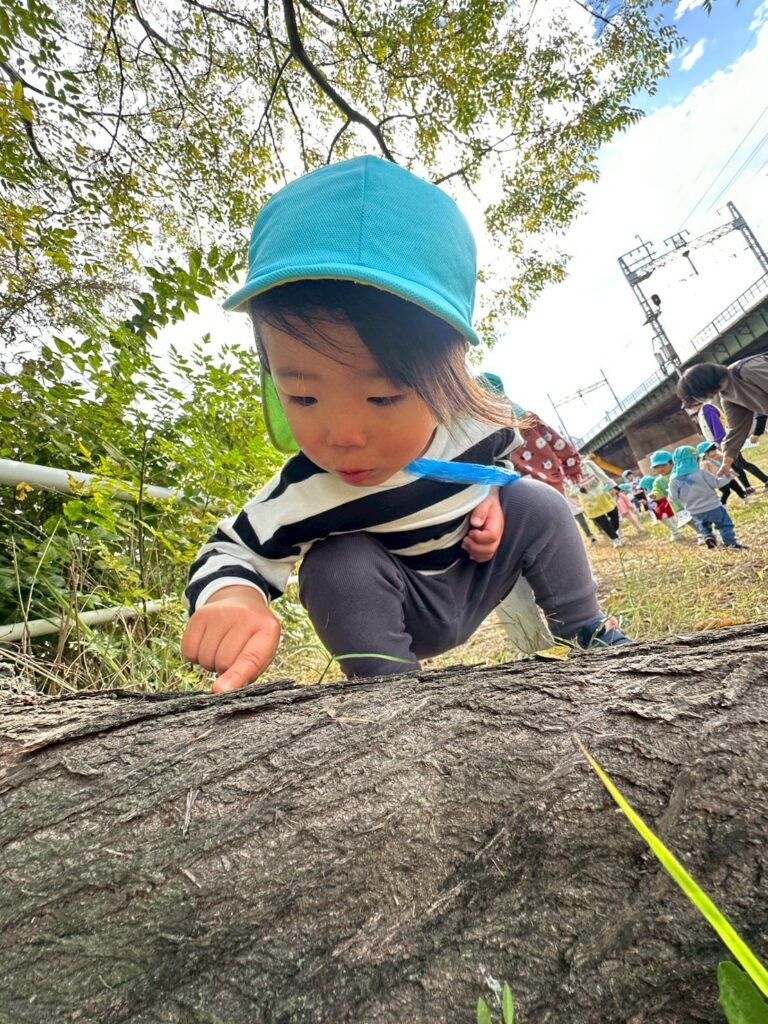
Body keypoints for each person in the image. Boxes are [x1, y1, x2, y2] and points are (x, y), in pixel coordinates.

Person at [182, 157, 630, 691]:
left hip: (476, 573)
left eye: (383, 396)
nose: (343, 435)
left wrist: (486, 491)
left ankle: (584, 628)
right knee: (334, 564)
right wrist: (233, 598)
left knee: (537, 502)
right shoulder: (307, 491)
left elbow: (506, 459)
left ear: (447, 380)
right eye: (302, 396)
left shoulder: (476, 426)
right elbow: (232, 549)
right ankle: (389, 691)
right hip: (400, 609)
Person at [677, 358, 768, 484]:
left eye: (695, 395)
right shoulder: (727, 396)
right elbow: (737, 429)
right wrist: (726, 461)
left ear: (702, 386)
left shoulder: (747, 369)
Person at [683, 396, 767, 494]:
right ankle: (748, 488)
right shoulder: (702, 411)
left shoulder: (707, 409)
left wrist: (720, 444)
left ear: (694, 403)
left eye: (689, 406)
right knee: (735, 465)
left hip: (725, 442)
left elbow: (717, 427)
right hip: (722, 443)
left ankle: (765, 480)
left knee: (741, 463)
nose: (690, 409)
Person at [668, 446, 747, 551]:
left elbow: (673, 497)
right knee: (724, 525)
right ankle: (731, 544)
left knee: (704, 527)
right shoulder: (701, 473)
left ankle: (708, 538)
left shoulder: (674, 481)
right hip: (713, 506)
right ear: (695, 459)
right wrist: (729, 476)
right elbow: (717, 483)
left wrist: (684, 501)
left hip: (695, 511)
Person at [567, 459, 622, 546]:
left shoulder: (588, 464)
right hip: (589, 500)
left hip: (601, 493)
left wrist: (613, 485)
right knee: (602, 520)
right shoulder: (567, 472)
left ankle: (613, 532)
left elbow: (601, 474)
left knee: (614, 514)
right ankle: (615, 539)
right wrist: (579, 490)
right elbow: (572, 488)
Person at [696, 441, 747, 505]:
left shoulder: (717, 456)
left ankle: (745, 499)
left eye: (715, 449)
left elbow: (725, 462)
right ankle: (722, 504)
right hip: (719, 480)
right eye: (713, 450)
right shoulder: (704, 462)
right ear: (706, 453)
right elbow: (705, 472)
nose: (715, 451)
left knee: (738, 488)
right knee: (726, 492)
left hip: (728, 476)